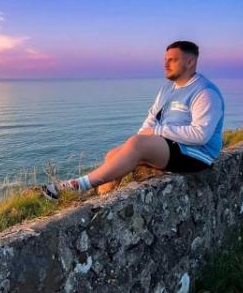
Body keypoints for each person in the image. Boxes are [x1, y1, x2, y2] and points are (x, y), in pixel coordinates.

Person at [41, 40, 225, 200]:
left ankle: (76, 186)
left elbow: (201, 135)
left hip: (196, 154)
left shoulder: (204, 92)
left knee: (137, 144)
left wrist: (153, 134)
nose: (166, 64)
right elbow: (152, 118)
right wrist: (136, 142)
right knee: (113, 155)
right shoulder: (168, 89)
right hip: (170, 147)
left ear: (190, 61)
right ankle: (102, 203)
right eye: (165, 60)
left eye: (173, 60)